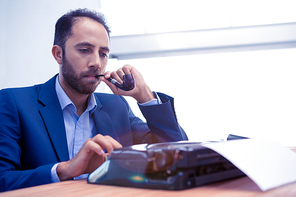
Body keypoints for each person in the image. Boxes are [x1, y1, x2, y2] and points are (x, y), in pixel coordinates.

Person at [0, 8, 188, 191]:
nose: (96, 63)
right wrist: (65, 169)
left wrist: (144, 95)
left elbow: (177, 151)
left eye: (103, 53)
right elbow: (3, 179)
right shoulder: (14, 103)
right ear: (58, 54)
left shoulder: (116, 106)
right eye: (84, 50)